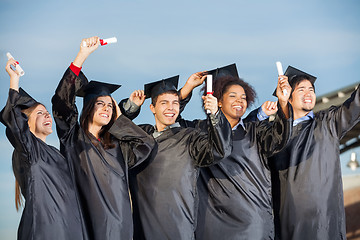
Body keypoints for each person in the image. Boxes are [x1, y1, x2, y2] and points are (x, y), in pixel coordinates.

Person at [51, 36, 155, 240]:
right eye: (100, 104)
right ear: (89, 107)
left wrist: (119, 120)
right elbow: (62, 103)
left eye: (110, 105)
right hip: (85, 220)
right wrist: (83, 55)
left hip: (120, 224)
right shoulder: (73, 137)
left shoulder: (117, 145)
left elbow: (147, 144)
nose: (106, 108)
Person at [176, 64, 292, 240]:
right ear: (218, 101)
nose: (239, 101)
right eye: (232, 96)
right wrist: (186, 89)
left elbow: (279, 137)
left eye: (243, 97)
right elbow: (171, 117)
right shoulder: (199, 131)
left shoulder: (256, 131)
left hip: (253, 222)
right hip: (213, 221)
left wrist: (283, 102)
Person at [110, 76, 233, 240]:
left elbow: (219, 150)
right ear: (152, 107)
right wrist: (131, 107)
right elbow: (111, 131)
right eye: (164, 103)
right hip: (142, 226)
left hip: (178, 225)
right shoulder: (140, 136)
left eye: (175, 103)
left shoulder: (190, 137)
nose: (171, 108)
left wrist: (215, 115)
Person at [268, 66, 360, 240]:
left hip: (326, 221)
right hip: (289, 225)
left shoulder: (328, 123)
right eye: (301, 90)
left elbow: (355, 106)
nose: (308, 93)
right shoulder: (273, 136)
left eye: (311, 89)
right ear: (288, 96)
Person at [1, 58, 86, 240]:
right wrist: (14, 80)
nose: (47, 114)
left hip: (70, 228)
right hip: (45, 230)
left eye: (46, 112)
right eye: (40, 113)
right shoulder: (29, 150)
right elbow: (15, 122)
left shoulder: (55, 153)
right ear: (27, 124)